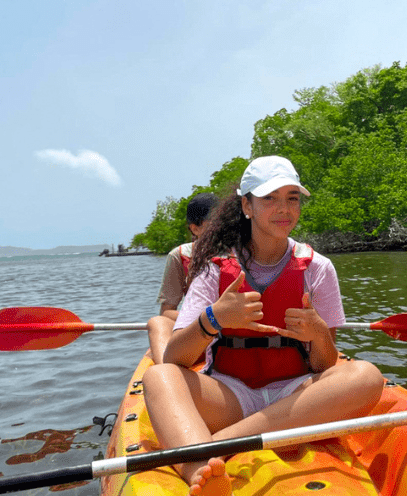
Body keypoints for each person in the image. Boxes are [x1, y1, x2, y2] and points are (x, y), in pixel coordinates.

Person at [142, 156, 384, 496]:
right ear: (247, 205)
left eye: (292, 198)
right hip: (230, 395)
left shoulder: (319, 269)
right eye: (269, 198)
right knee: (158, 376)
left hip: (296, 395)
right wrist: (214, 319)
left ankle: (212, 448)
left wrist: (317, 333)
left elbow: (325, 365)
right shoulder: (214, 270)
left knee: (367, 376)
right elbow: (175, 359)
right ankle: (201, 472)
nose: (283, 208)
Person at [147, 192, 219, 364]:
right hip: (199, 332)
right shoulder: (180, 256)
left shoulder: (243, 252)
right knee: (157, 322)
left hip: (231, 333)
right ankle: (167, 372)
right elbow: (167, 311)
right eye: (215, 222)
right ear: (195, 228)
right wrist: (200, 320)